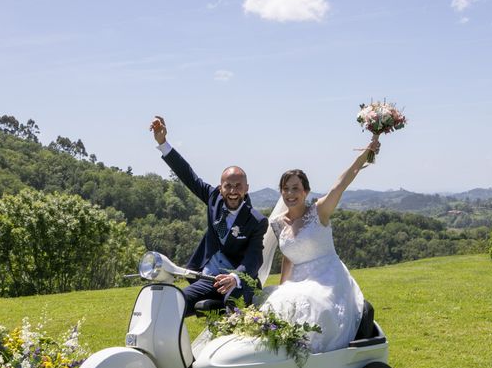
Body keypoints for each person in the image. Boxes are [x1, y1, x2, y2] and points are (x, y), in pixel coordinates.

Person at [257, 135, 381, 353]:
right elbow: (288, 257)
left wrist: (366, 154)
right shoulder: (277, 223)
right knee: (277, 299)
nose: (290, 194)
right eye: (285, 189)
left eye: (295, 188)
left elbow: (341, 184)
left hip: (328, 277)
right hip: (298, 280)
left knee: (311, 303)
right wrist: (282, 285)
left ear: (306, 191)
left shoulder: (319, 211)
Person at [149, 116, 268, 312]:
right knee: (174, 303)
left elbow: (254, 258)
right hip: (208, 277)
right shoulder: (213, 198)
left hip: (237, 282)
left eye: (238, 186)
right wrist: (163, 143)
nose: (232, 191)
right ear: (221, 188)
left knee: (233, 307)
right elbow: (188, 175)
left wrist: (235, 277)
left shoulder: (256, 221)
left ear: (247, 188)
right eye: (228, 186)